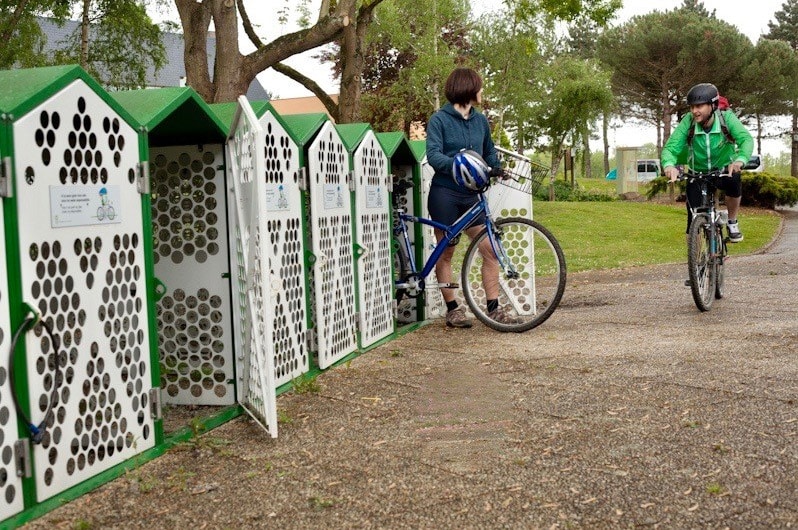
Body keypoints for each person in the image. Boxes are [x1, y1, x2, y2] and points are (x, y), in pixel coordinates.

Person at [425, 67, 514, 328]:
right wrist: (460, 165)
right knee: (446, 253)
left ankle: (493, 309)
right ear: (468, 88)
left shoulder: (480, 121)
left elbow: (489, 152)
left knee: (490, 250)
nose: (482, 91)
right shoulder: (439, 120)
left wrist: (497, 168)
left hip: (471, 196)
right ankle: (453, 309)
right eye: (479, 86)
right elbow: (434, 155)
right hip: (445, 194)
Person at [661, 83, 754, 242]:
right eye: (692, 107)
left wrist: (740, 161)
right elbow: (670, 148)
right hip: (697, 173)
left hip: (723, 170)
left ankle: (732, 222)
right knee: (692, 220)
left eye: (699, 106)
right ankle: (695, 254)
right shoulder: (688, 122)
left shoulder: (726, 118)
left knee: (734, 180)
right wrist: (669, 165)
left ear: (713, 105)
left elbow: (746, 140)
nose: (694, 111)